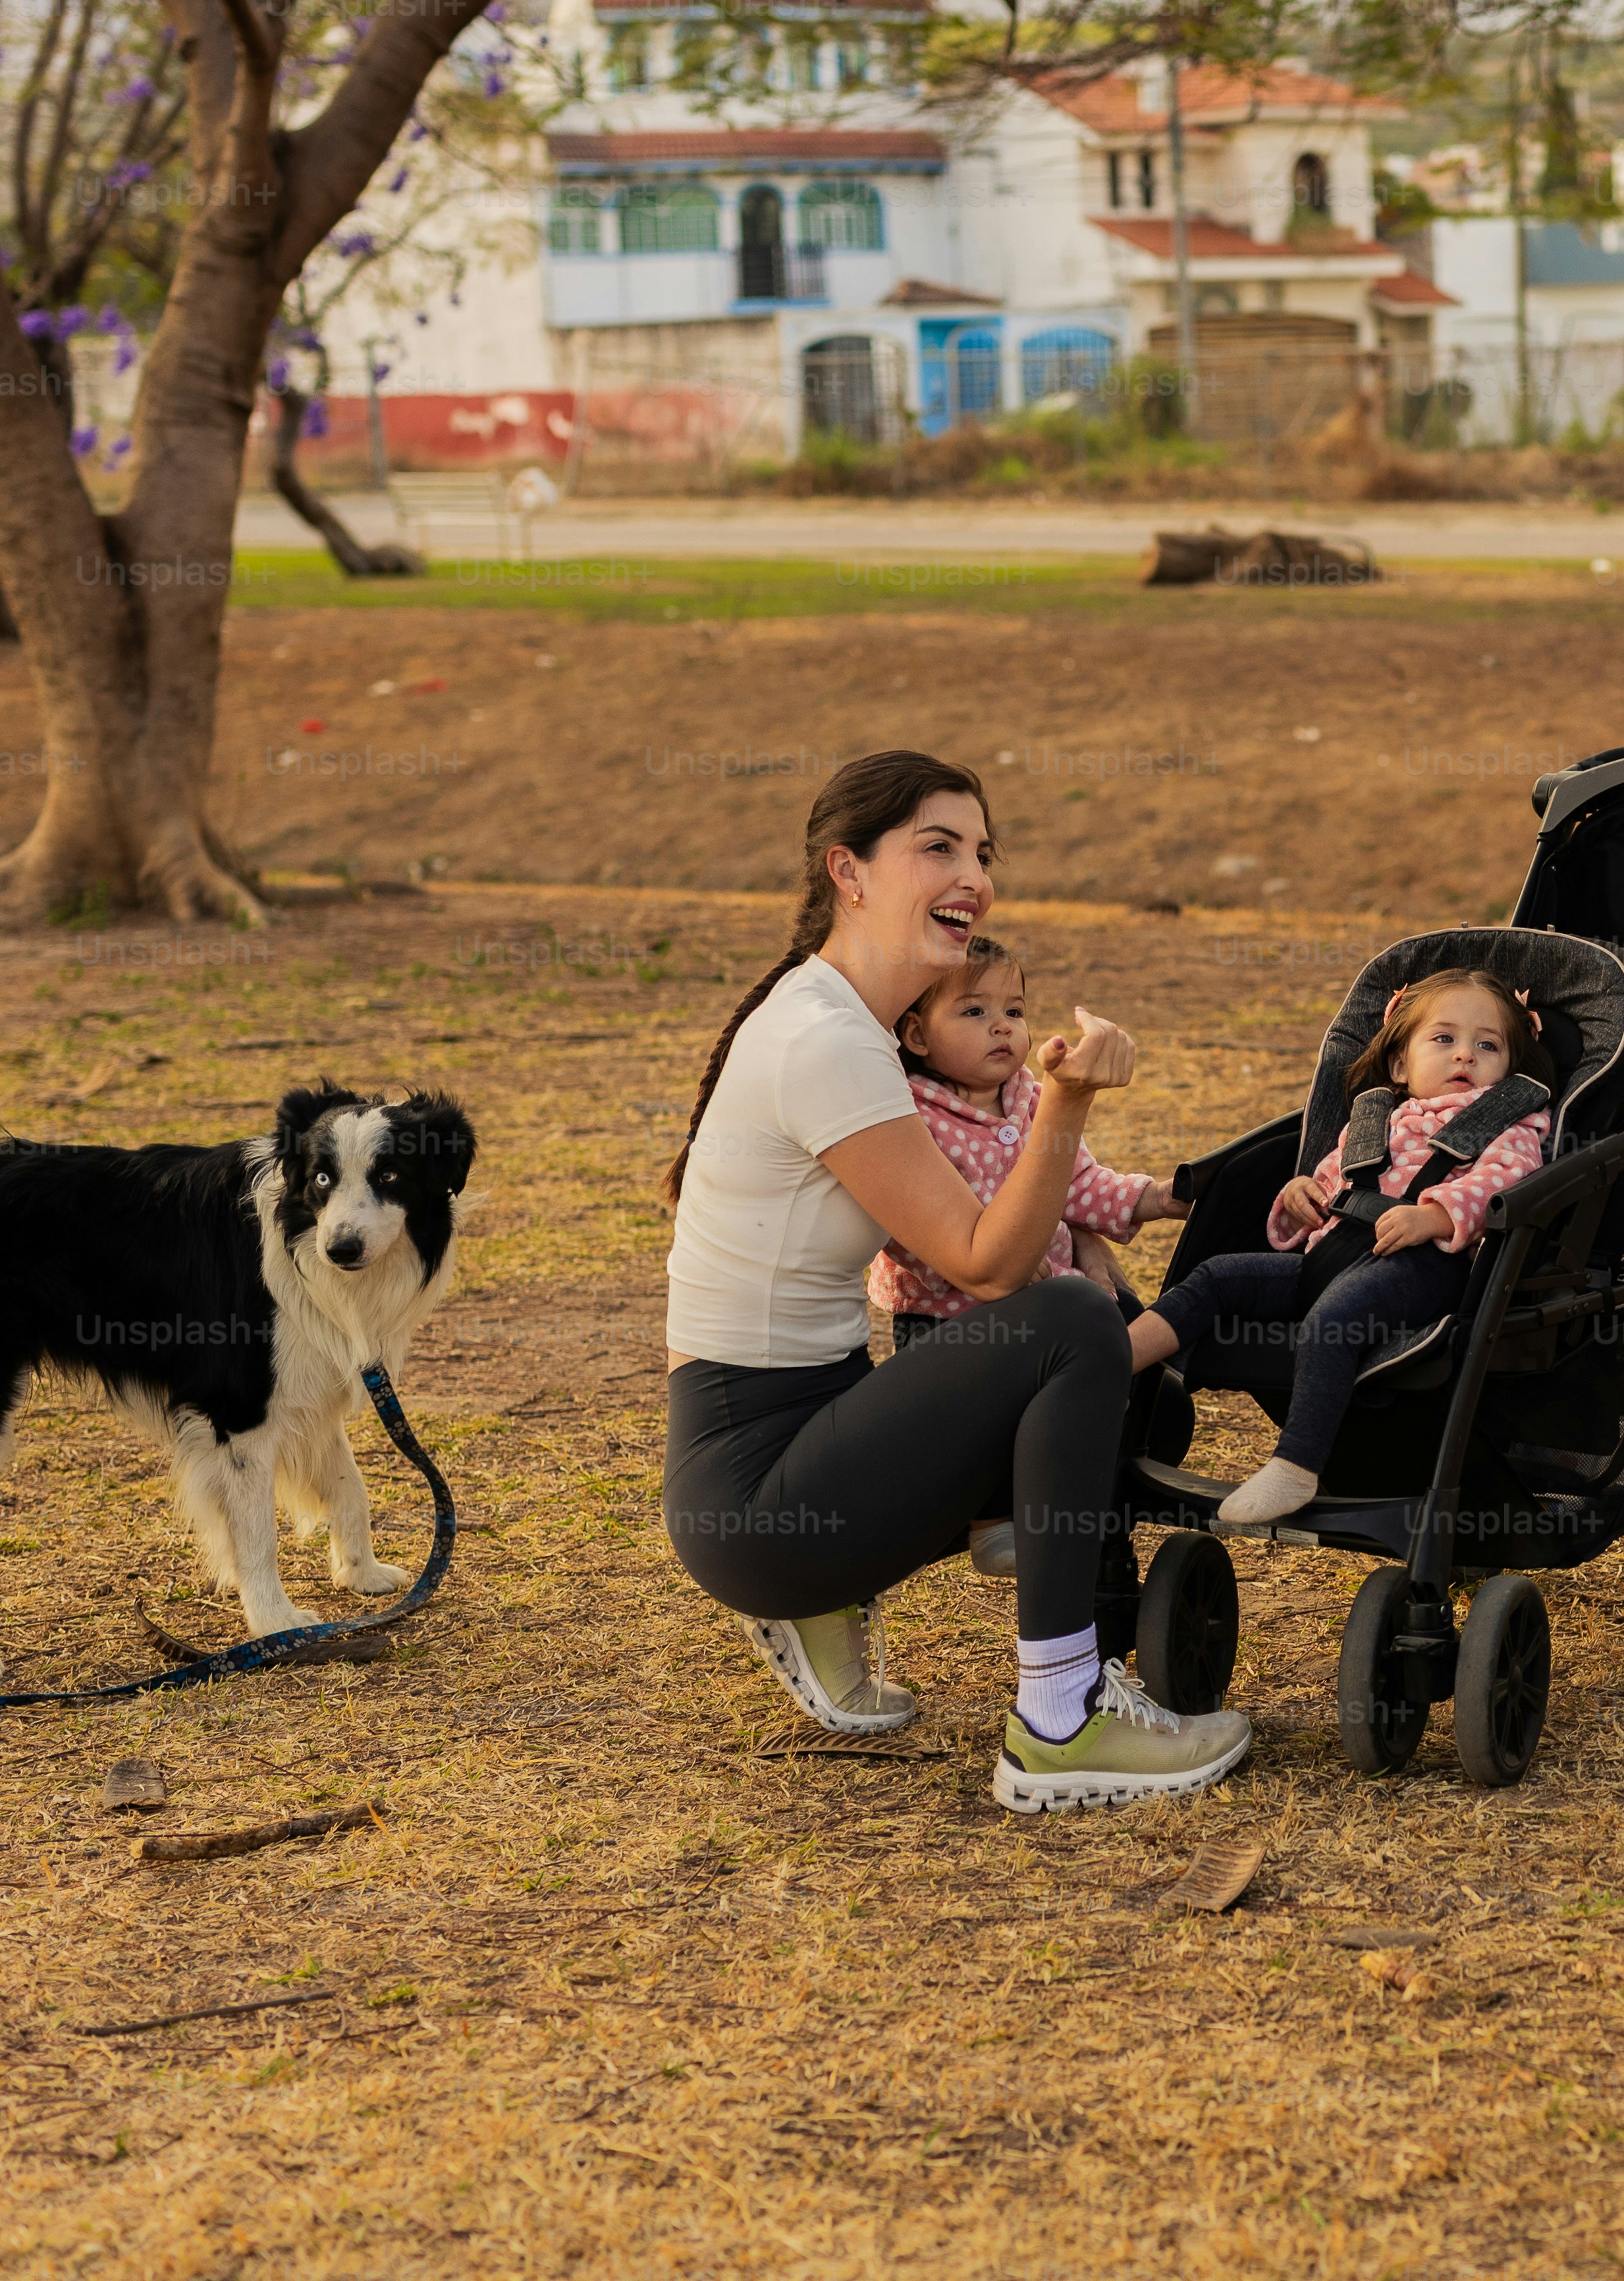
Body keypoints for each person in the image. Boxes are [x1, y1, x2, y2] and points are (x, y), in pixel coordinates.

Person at [661, 752, 1251, 1815]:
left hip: (803, 1440)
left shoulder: (850, 1027)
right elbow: (988, 1264)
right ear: (849, 870)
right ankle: (1062, 1723)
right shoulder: (825, 1042)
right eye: (937, 847)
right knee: (1070, 1319)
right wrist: (1062, 1104)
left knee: (1125, 1391)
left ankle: (829, 1605)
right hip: (755, 1494)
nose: (972, 875)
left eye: (983, 853)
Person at [1128, 971, 1552, 1526]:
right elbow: (1333, 1181)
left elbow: (1506, 1183)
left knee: (1335, 1318)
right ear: (1400, 1066)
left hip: (1422, 1270)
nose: (1465, 1056)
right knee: (1215, 1276)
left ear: (1508, 1067)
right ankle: (1110, 1363)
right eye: (1444, 1039)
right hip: (1328, 1258)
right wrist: (1300, 1197)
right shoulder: (1375, 1120)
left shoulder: (1511, 1123)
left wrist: (1434, 1216)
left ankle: (1297, 1465)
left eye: (1487, 1045)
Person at [873, 937, 1188, 1579]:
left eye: (1014, 1012)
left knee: (1142, 1351)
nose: (1002, 1027)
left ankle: (1102, 1475)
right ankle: (993, 1519)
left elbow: (1079, 1178)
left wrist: (1152, 1199)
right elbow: (925, 1225)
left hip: (1060, 1295)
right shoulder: (911, 1116)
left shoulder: (1032, 1098)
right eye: (973, 1012)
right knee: (991, 1417)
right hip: (950, 1312)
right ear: (917, 1034)